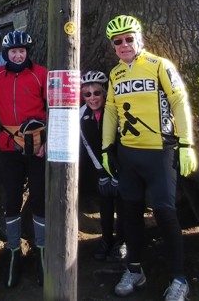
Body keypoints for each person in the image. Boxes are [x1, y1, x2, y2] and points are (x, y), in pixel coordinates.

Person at [100, 15, 197, 301]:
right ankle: (134, 269)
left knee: (165, 213)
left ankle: (179, 279)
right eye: (118, 41)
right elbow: (110, 111)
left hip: (160, 152)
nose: (124, 45)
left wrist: (186, 144)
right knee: (129, 214)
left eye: (129, 39)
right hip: (128, 154)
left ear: (139, 39)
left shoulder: (159, 65)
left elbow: (179, 101)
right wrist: (106, 148)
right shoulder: (115, 74)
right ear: (113, 46)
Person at [0, 30, 48, 288]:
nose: (18, 55)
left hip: (38, 147)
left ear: (28, 52)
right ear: (6, 54)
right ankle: (14, 251)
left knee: (39, 199)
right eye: (13, 52)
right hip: (8, 147)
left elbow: (56, 106)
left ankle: (42, 252)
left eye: (22, 51)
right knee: (11, 200)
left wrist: (47, 141)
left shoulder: (41, 74)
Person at [79, 70, 126, 262]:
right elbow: (87, 146)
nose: (92, 98)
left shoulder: (115, 111)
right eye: (87, 94)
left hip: (122, 166)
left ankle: (122, 241)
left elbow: (123, 143)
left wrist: (118, 174)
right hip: (100, 167)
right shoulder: (81, 115)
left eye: (97, 93)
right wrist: (102, 173)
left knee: (124, 204)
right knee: (105, 202)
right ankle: (106, 239)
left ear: (105, 92)